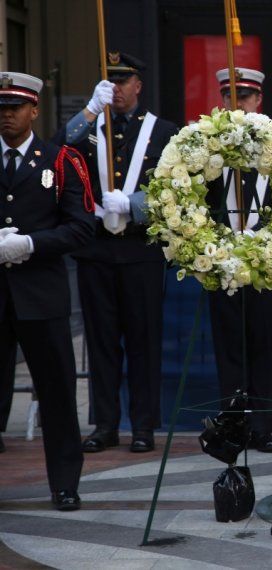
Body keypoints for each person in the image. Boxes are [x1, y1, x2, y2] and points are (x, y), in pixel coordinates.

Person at [57, 52, 178, 453]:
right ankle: (105, 424)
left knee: (143, 342)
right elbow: (60, 148)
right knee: (102, 342)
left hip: (140, 251)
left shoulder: (162, 132)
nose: (118, 89)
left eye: (124, 81)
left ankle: (143, 425)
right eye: (111, 82)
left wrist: (134, 205)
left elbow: (175, 192)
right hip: (97, 251)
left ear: (138, 85)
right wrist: (91, 109)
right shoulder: (91, 128)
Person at [0, 71, 95, 509]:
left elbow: (81, 227)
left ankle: (64, 483)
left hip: (41, 296)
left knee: (57, 394)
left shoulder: (59, 160)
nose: (6, 116)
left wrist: (33, 244)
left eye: (15, 107)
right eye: (1, 108)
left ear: (34, 110)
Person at [206, 67, 272, 452]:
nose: (237, 104)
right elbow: (196, 201)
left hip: (266, 262)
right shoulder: (206, 144)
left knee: (266, 344)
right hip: (221, 261)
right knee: (230, 346)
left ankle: (263, 426)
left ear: (258, 101)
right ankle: (233, 425)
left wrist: (270, 239)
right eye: (230, 97)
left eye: (246, 97)